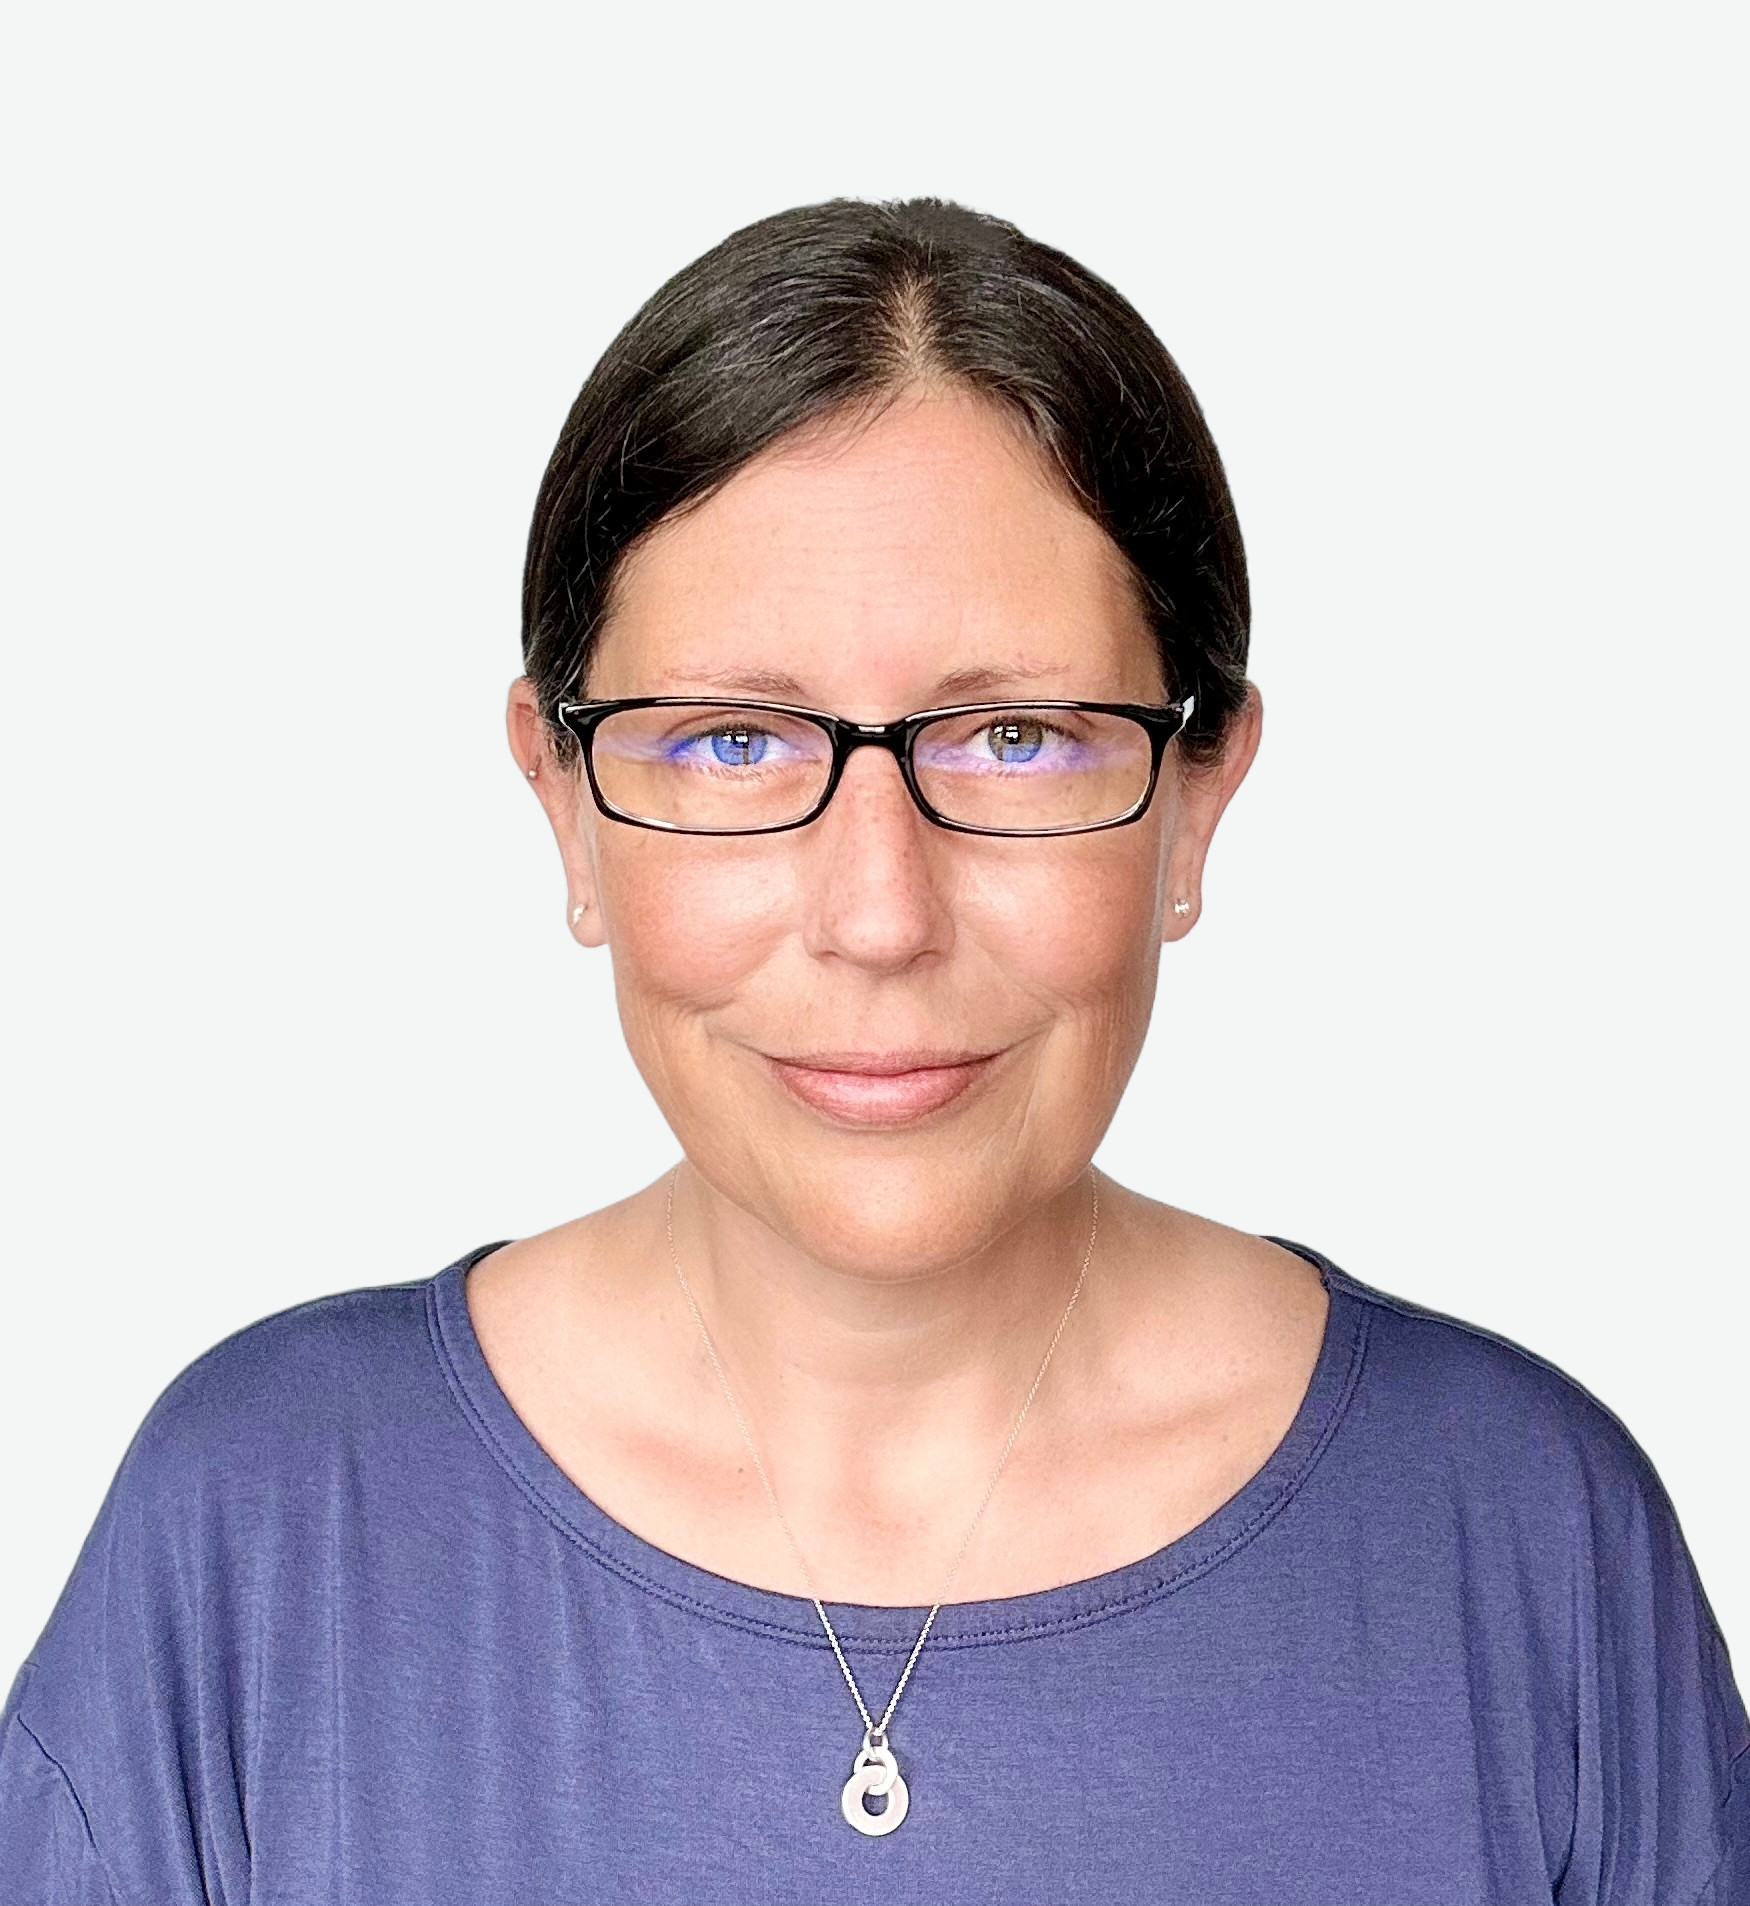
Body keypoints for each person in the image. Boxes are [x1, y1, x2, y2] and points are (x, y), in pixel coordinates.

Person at [2, 197, 1744, 1906]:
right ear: (564, 805)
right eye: (732, 741)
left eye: (1016, 738)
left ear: (1199, 798)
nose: (879, 912)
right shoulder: (262, 1531)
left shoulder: (1521, 1537)